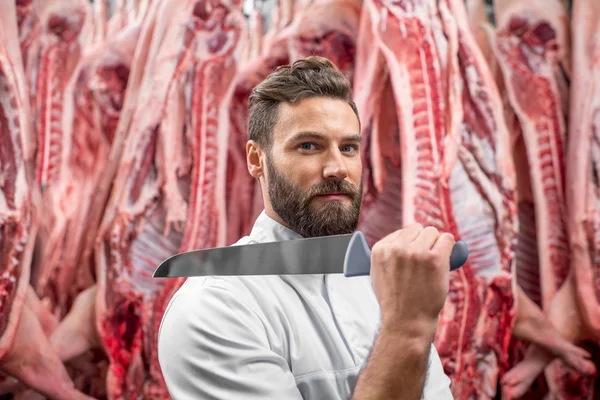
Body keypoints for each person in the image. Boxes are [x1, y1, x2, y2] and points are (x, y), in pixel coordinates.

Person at [157, 55, 456, 399]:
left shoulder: (385, 288)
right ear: (257, 159)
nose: (337, 168)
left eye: (348, 147)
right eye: (309, 146)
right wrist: (406, 330)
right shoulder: (214, 308)